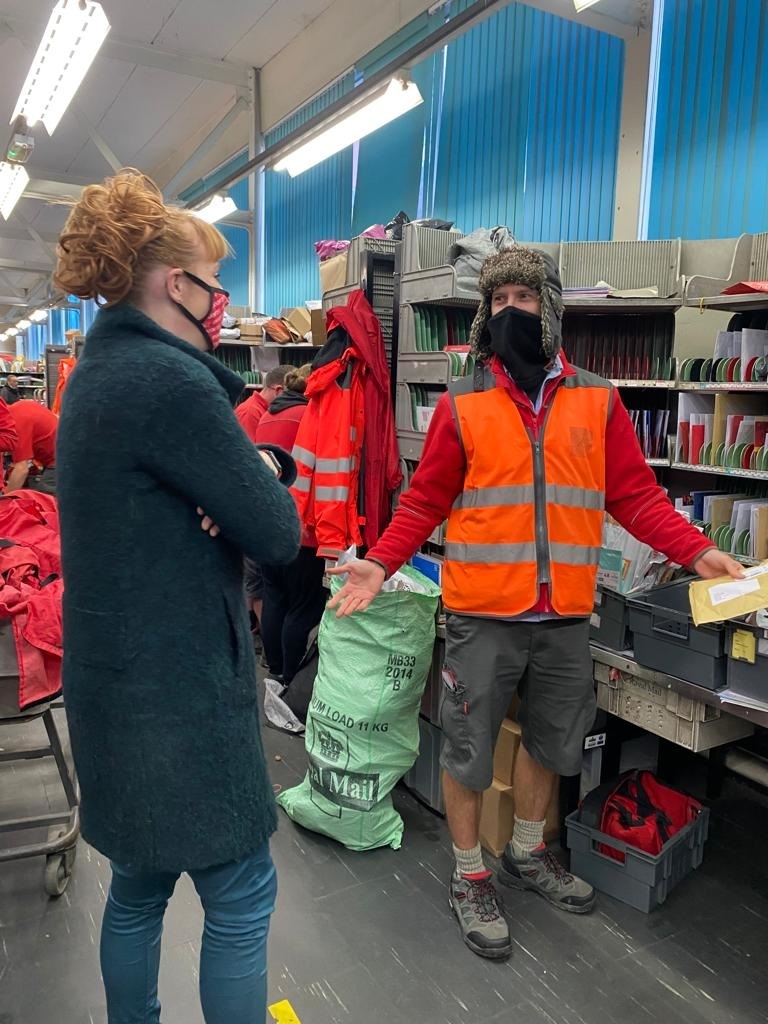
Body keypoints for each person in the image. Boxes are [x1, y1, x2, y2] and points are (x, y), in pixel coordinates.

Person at [328, 245, 743, 961]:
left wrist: (698, 553)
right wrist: (380, 563)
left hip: (564, 618)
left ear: (551, 308)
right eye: (498, 300)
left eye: (524, 298)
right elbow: (425, 498)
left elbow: (638, 497)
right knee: (467, 751)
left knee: (554, 741)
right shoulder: (464, 402)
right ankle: (468, 875)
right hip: (482, 615)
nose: (509, 311)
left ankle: (526, 850)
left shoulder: (597, 398)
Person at [53, 170, 301, 1024]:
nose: (224, 302)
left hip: (113, 685)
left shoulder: (94, 376)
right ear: (175, 284)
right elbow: (276, 533)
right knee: (241, 892)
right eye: (214, 282)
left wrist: (250, 472)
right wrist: (263, 472)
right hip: (179, 693)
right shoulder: (175, 385)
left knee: (137, 886)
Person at [255, 365, 326, 683]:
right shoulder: (310, 416)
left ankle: (275, 669)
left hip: (269, 523)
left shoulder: (269, 415)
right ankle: (292, 680)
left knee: (276, 598)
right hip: (301, 528)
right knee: (302, 607)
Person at [6, 399, 58, 493]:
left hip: (63, 459)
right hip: (67, 450)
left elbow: (21, 469)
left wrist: (5, 499)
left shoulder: (17, 425)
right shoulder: (20, 407)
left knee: (42, 500)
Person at [236, 364, 293, 443]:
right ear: (279, 390)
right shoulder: (250, 412)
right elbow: (249, 451)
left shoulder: (267, 410)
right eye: (292, 396)